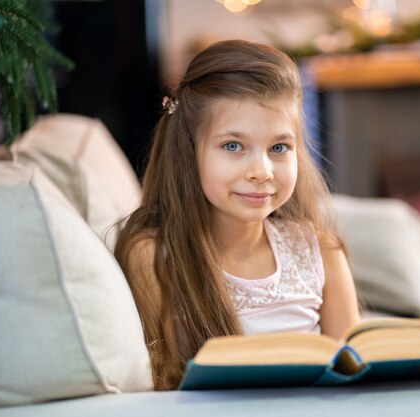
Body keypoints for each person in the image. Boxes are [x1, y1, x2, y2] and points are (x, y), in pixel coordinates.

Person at [115, 39, 359, 390]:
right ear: (189, 150)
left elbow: (353, 376)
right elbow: (161, 389)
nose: (261, 171)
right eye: (233, 146)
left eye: (279, 147)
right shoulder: (154, 257)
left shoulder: (322, 253)